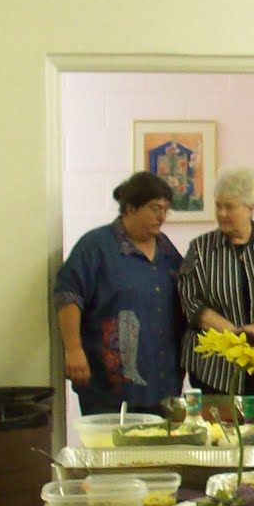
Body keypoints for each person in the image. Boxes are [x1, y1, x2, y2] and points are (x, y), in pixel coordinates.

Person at [176, 166, 254, 423]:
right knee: (222, 440)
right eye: (218, 206)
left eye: (229, 207)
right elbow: (190, 301)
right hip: (215, 370)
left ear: (250, 208)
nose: (222, 213)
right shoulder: (200, 249)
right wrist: (232, 333)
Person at [54, 172, 184, 415]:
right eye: (155, 208)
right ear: (130, 209)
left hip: (163, 381)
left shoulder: (166, 250)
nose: (162, 217)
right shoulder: (96, 246)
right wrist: (73, 349)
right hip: (109, 385)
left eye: (166, 210)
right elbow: (68, 295)